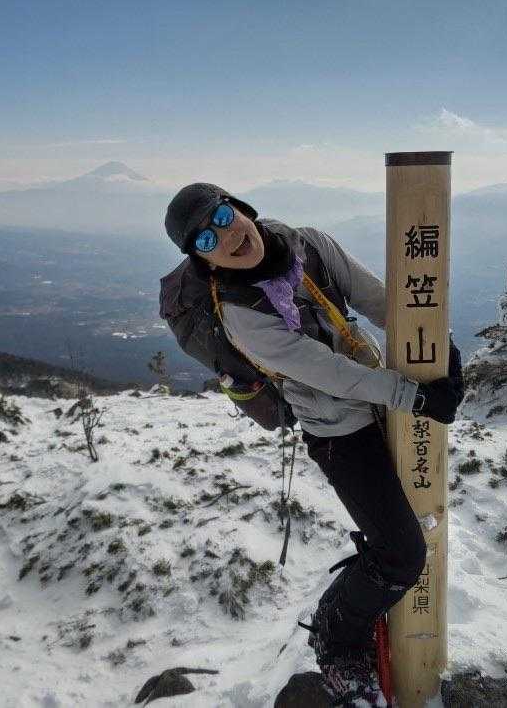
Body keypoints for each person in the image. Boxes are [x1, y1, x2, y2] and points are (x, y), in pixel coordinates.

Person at [163, 183, 463, 707]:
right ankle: (336, 635)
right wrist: (413, 396)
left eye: (223, 216)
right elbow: (330, 373)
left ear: (241, 208)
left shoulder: (311, 246)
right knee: (400, 555)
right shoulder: (242, 316)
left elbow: (379, 300)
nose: (226, 236)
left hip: (382, 401)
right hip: (338, 431)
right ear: (204, 261)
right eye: (207, 239)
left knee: (402, 532)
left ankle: (369, 596)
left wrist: (437, 342)